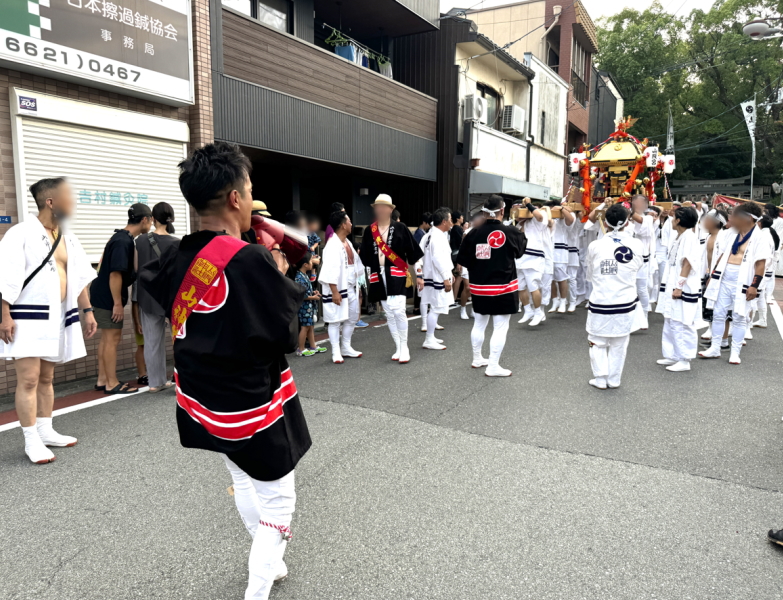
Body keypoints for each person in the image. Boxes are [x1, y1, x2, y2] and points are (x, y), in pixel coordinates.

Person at [140, 142, 311, 599]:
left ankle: (270, 565)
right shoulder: (251, 259)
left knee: (241, 478)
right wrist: (276, 267)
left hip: (200, 398)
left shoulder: (176, 255)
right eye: (249, 187)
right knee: (279, 500)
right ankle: (257, 589)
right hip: (250, 403)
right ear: (236, 199)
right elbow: (284, 337)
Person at [0, 177, 97, 464]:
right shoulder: (20, 234)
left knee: (47, 377)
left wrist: (87, 310)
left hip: (57, 316)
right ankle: (31, 440)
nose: (74, 201)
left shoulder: (68, 237)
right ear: (51, 201)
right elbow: (6, 276)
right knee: (28, 379)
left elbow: (79, 277)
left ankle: (45, 429)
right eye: (69, 196)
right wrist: (4, 316)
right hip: (25, 317)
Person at [458, 195, 526, 377]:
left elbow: (463, 259)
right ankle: (493, 365)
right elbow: (520, 252)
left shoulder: (473, 233)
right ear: (502, 210)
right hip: (504, 286)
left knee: (479, 323)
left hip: (479, 286)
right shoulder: (511, 232)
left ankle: (477, 358)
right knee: (500, 326)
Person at [91, 203, 152, 394]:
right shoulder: (123, 241)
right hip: (108, 297)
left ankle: (103, 379)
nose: (150, 224)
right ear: (144, 220)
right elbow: (115, 274)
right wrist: (117, 303)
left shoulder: (120, 237)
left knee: (107, 339)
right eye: (150, 221)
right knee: (112, 339)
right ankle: (111, 383)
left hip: (101, 294)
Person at [700, 202, 771, 365]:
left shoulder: (760, 237)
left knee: (739, 317)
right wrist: (713, 274)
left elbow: (760, 264)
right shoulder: (732, 233)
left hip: (743, 279)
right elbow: (723, 254)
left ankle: (735, 352)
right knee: (718, 314)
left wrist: (754, 286)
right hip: (724, 277)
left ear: (748, 218)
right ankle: (715, 348)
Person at [584, 204, 644, 389]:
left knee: (597, 341)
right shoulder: (636, 244)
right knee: (619, 343)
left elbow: (590, 274)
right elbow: (639, 266)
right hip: (625, 301)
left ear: (606, 222)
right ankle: (614, 379)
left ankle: (601, 378)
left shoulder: (595, 245)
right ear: (627, 222)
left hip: (601, 300)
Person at [360, 194, 423, 364]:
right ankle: (398, 346)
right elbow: (365, 256)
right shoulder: (369, 230)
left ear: (390, 209)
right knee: (388, 313)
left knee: (399, 310)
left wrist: (420, 274)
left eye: (384, 206)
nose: (380, 209)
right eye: (377, 206)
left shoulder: (401, 227)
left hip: (397, 273)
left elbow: (414, 254)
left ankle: (405, 346)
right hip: (377, 274)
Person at [135, 201, 180, 392]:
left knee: (152, 342)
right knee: (178, 340)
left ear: (153, 219)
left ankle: (155, 383)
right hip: (172, 297)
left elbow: (137, 269)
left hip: (148, 296)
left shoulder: (141, 241)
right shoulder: (178, 243)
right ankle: (180, 380)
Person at [656, 206, 702, 372]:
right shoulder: (679, 236)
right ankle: (673, 354)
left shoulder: (689, 237)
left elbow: (687, 263)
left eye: (673, 217)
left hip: (683, 287)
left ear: (679, 221)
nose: (671, 220)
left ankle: (685, 358)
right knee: (670, 319)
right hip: (673, 284)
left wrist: (679, 287)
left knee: (682, 322)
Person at [321, 211, 364, 363]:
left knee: (352, 317)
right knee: (335, 320)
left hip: (351, 286)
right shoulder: (333, 245)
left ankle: (346, 346)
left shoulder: (348, 242)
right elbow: (330, 270)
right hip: (338, 288)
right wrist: (334, 292)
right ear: (343, 224)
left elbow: (356, 263)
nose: (351, 224)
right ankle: (336, 351)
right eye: (349, 221)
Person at [417, 208, 454, 350]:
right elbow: (438, 259)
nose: (451, 222)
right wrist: (446, 277)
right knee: (436, 308)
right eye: (450, 219)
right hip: (437, 276)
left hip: (430, 275)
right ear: (444, 221)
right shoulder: (437, 236)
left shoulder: (429, 235)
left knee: (434, 307)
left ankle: (431, 336)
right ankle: (428, 339)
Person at [698, 209, 731, 346]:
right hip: (708, 274)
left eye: (707, 220)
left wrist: (714, 274)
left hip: (719, 276)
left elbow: (724, 258)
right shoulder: (707, 237)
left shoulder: (724, 237)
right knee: (710, 307)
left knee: (722, 309)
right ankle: (714, 335)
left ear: (716, 222)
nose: (704, 222)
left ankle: (722, 341)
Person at [515, 199, 549, 327]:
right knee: (520, 286)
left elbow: (539, 217)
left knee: (533, 286)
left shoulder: (538, 217)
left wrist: (529, 205)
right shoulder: (518, 225)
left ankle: (538, 311)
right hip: (521, 259)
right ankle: (528, 310)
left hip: (534, 257)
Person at [630, 194, 655, 329]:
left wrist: (628, 210)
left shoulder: (649, 218)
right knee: (630, 288)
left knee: (641, 288)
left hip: (642, 260)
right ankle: (631, 316)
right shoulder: (627, 217)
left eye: (640, 202)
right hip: (628, 258)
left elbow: (641, 223)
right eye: (634, 202)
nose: (637, 204)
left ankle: (644, 315)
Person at [752, 214, 781, 329]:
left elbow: (764, 257)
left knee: (754, 297)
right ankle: (762, 319)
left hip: (762, 269)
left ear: (759, 223)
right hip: (766, 269)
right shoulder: (770, 233)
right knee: (760, 296)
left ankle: (749, 324)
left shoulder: (763, 236)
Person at [550, 201, 576, 313]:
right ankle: (555, 300)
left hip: (560, 250)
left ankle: (563, 301)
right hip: (548, 250)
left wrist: (561, 208)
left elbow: (570, 220)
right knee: (550, 278)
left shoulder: (564, 214)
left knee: (561, 278)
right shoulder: (547, 215)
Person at [294, 253, 321, 357]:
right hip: (304, 307)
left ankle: (313, 345)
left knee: (310, 326)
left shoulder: (303, 275)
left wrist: (314, 293)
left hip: (308, 307)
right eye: (310, 261)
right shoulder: (299, 277)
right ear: (305, 264)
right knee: (305, 327)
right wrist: (313, 297)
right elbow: (302, 295)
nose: (312, 263)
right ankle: (301, 348)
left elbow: (306, 291)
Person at [412, 212, 432, 316]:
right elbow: (417, 250)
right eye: (428, 223)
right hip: (419, 262)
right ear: (424, 222)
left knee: (420, 285)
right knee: (419, 285)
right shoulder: (419, 234)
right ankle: (416, 307)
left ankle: (418, 307)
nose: (429, 226)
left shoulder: (422, 233)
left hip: (421, 262)